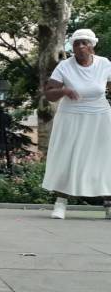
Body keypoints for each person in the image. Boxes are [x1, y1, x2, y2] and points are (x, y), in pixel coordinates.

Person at [42, 28, 111, 220]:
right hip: (71, 117)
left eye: (84, 43)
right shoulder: (64, 66)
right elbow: (49, 94)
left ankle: (109, 205)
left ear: (92, 46)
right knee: (68, 157)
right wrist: (64, 91)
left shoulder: (104, 64)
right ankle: (60, 204)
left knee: (104, 159)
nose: (80, 46)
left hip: (100, 116)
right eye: (76, 43)